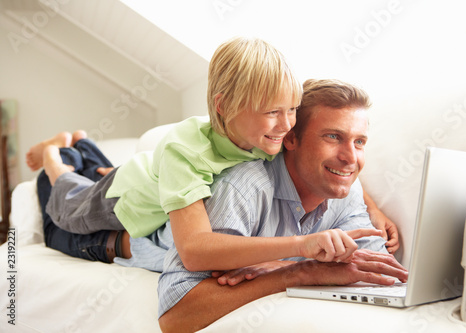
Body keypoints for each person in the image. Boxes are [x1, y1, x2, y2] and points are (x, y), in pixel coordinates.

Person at [27, 37, 398, 269]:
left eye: (292, 110)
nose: (287, 126)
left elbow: (335, 164)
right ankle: (56, 153)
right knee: (66, 204)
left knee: (107, 171)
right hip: (124, 199)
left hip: (149, 177)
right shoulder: (185, 154)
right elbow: (194, 249)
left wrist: (373, 207)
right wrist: (298, 249)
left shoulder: (265, 136)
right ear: (224, 106)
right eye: (273, 111)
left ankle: (84, 148)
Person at [121, 78, 407, 332]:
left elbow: (380, 273)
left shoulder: (348, 192)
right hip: (124, 219)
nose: (350, 158)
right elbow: (175, 317)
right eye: (333, 137)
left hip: (154, 194)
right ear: (291, 138)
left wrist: (279, 264)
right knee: (81, 203)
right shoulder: (244, 188)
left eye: (359, 142)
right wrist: (300, 271)